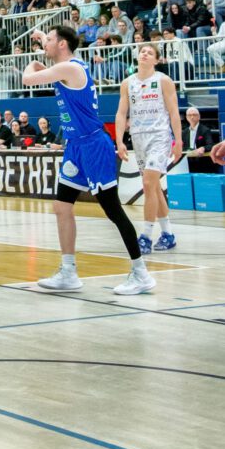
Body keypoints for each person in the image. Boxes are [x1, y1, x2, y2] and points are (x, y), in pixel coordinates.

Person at [23, 26, 156, 296]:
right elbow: (49, 58)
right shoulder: (65, 67)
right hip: (75, 146)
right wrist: (43, 38)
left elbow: (27, 79)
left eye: (50, 40)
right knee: (62, 206)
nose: (45, 44)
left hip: (94, 146)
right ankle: (68, 272)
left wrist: (33, 63)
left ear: (62, 44)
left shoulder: (70, 68)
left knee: (113, 210)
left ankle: (141, 273)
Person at [115, 44, 183, 254]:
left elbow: (174, 112)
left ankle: (145, 236)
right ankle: (168, 234)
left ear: (156, 60)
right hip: (138, 138)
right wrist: (119, 141)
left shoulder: (163, 80)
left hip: (159, 136)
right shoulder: (127, 83)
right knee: (154, 187)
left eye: (150, 52)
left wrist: (179, 141)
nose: (145, 54)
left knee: (147, 184)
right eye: (142, 51)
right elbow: (121, 113)